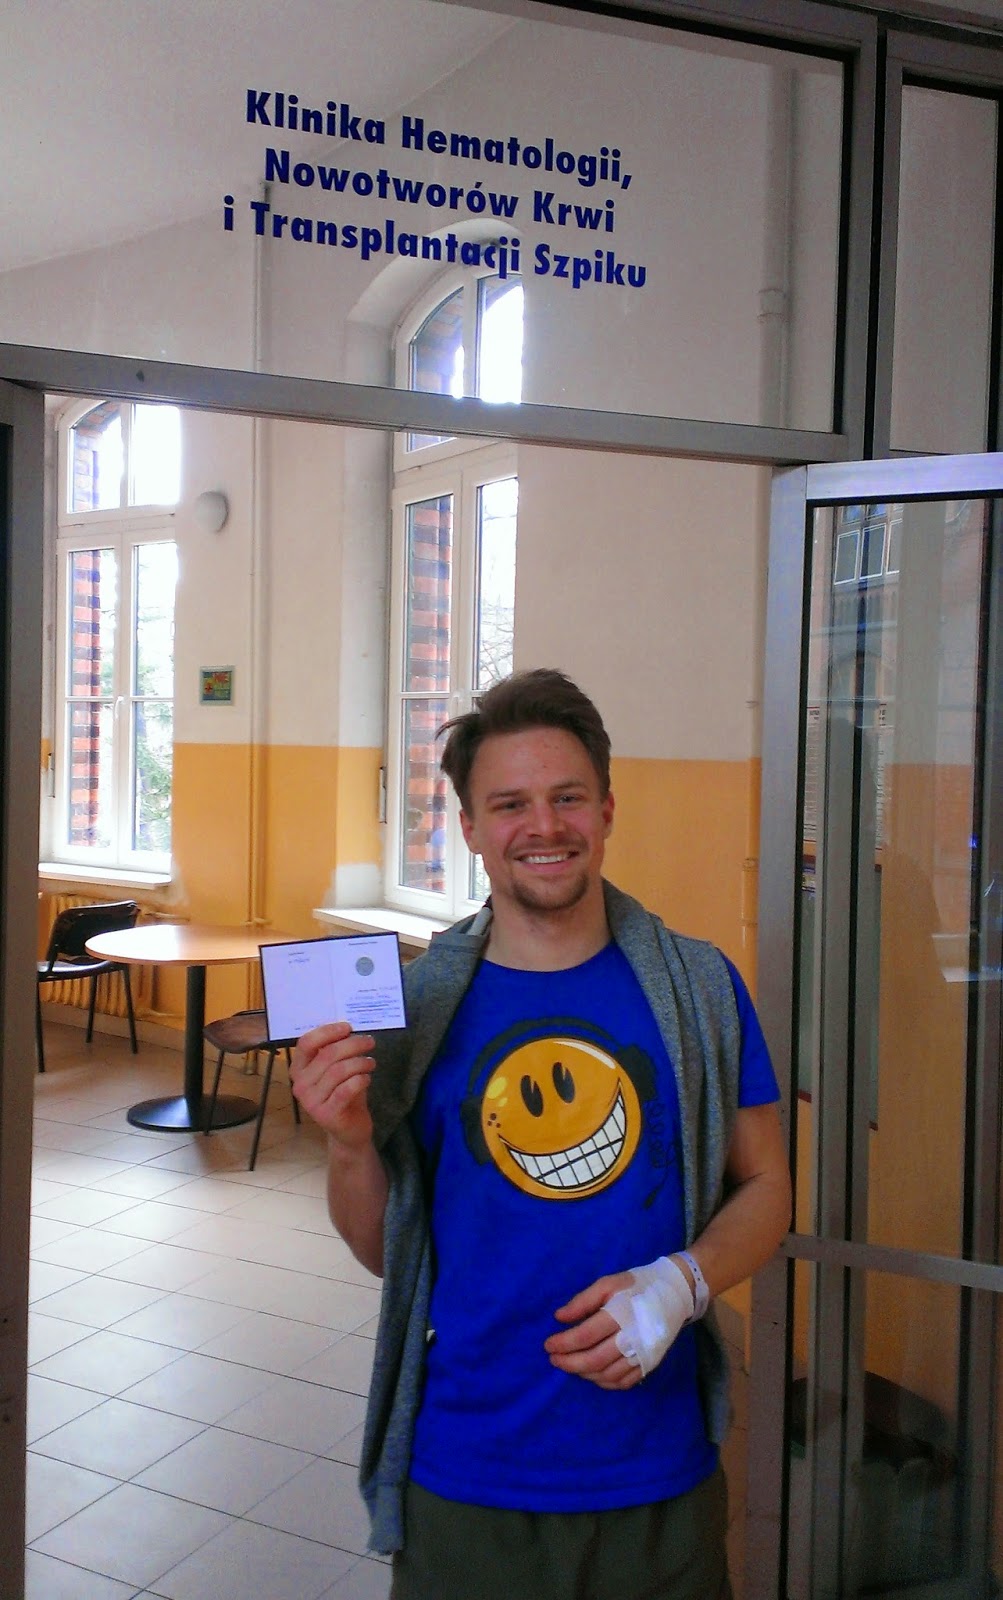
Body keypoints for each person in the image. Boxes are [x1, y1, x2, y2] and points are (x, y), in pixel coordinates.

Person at [290, 668, 791, 1600]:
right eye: (510, 804)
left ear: (606, 809)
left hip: (658, 1473)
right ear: (470, 829)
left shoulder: (699, 990)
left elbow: (766, 1185)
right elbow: (386, 1255)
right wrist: (350, 1142)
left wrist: (681, 1284)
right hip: (467, 1476)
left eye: (567, 797)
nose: (544, 826)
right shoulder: (417, 1011)